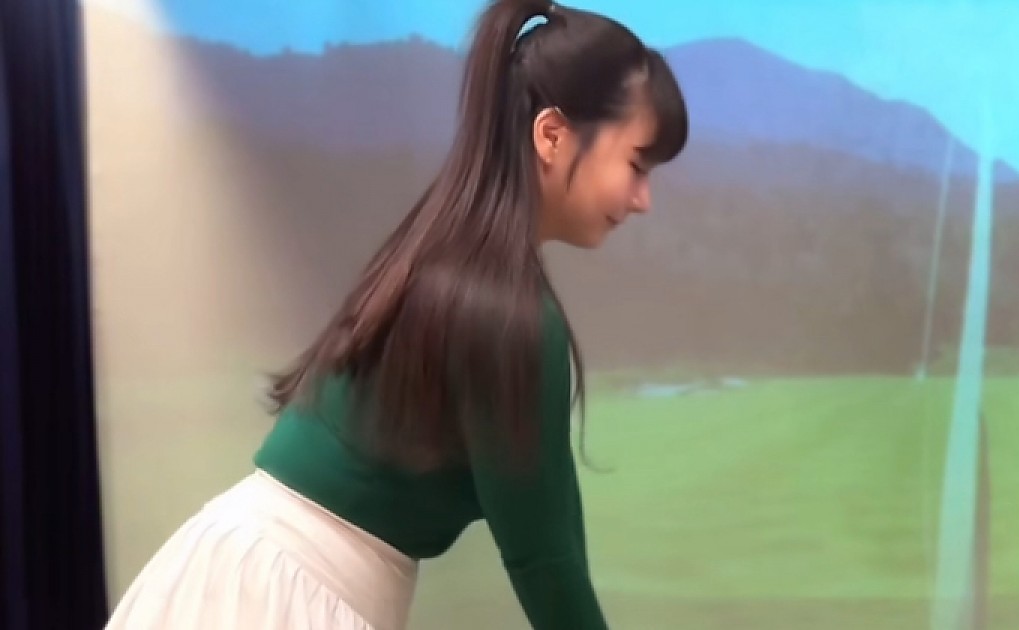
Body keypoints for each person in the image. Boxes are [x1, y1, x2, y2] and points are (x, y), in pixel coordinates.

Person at [104, 0, 689, 628]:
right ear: (551, 135)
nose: (643, 199)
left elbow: (556, 530)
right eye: (636, 164)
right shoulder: (506, 315)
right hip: (278, 600)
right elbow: (545, 562)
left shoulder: (455, 263)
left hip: (244, 575)